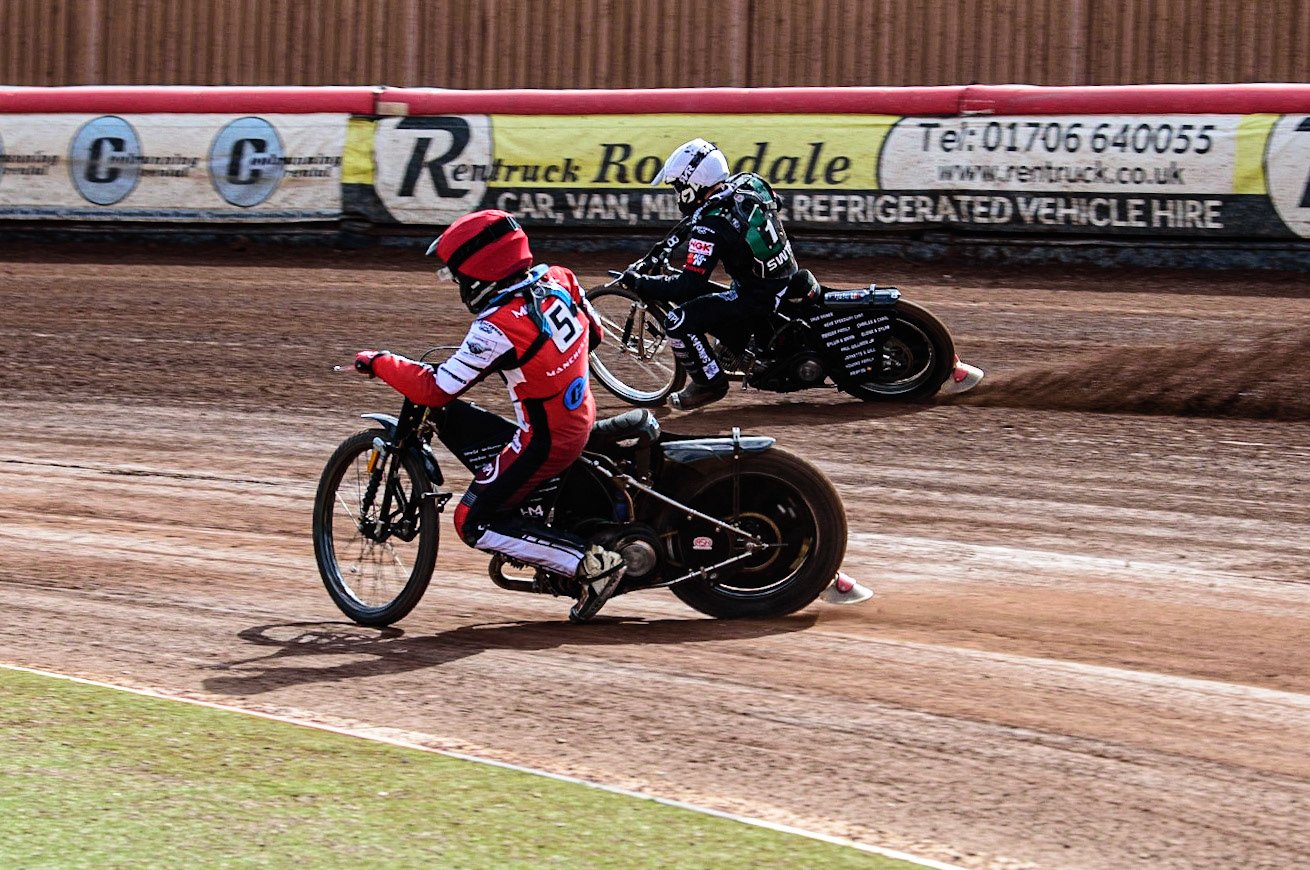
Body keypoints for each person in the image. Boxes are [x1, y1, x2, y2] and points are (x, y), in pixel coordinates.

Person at [354, 209, 626, 623]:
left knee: (471, 521)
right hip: (580, 412)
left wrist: (379, 361)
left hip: (547, 440)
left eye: (459, 277)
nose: (459, 286)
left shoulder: (496, 327)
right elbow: (596, 334)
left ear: (480, 275)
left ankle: (590, 565)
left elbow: (434, 389)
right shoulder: (560, 277)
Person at [620, 138, 800, 410]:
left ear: (694, 185)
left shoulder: (711, 226)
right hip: (781, 274)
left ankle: (710, 385)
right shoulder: (748, 182)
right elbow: (777, 202)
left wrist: (641, 283)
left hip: (758, 294)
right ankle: (736, 343)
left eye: (678, 187)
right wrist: (660, 250)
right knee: (717, 297)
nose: (677, 194)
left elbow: (688, 285)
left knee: (677, 321)